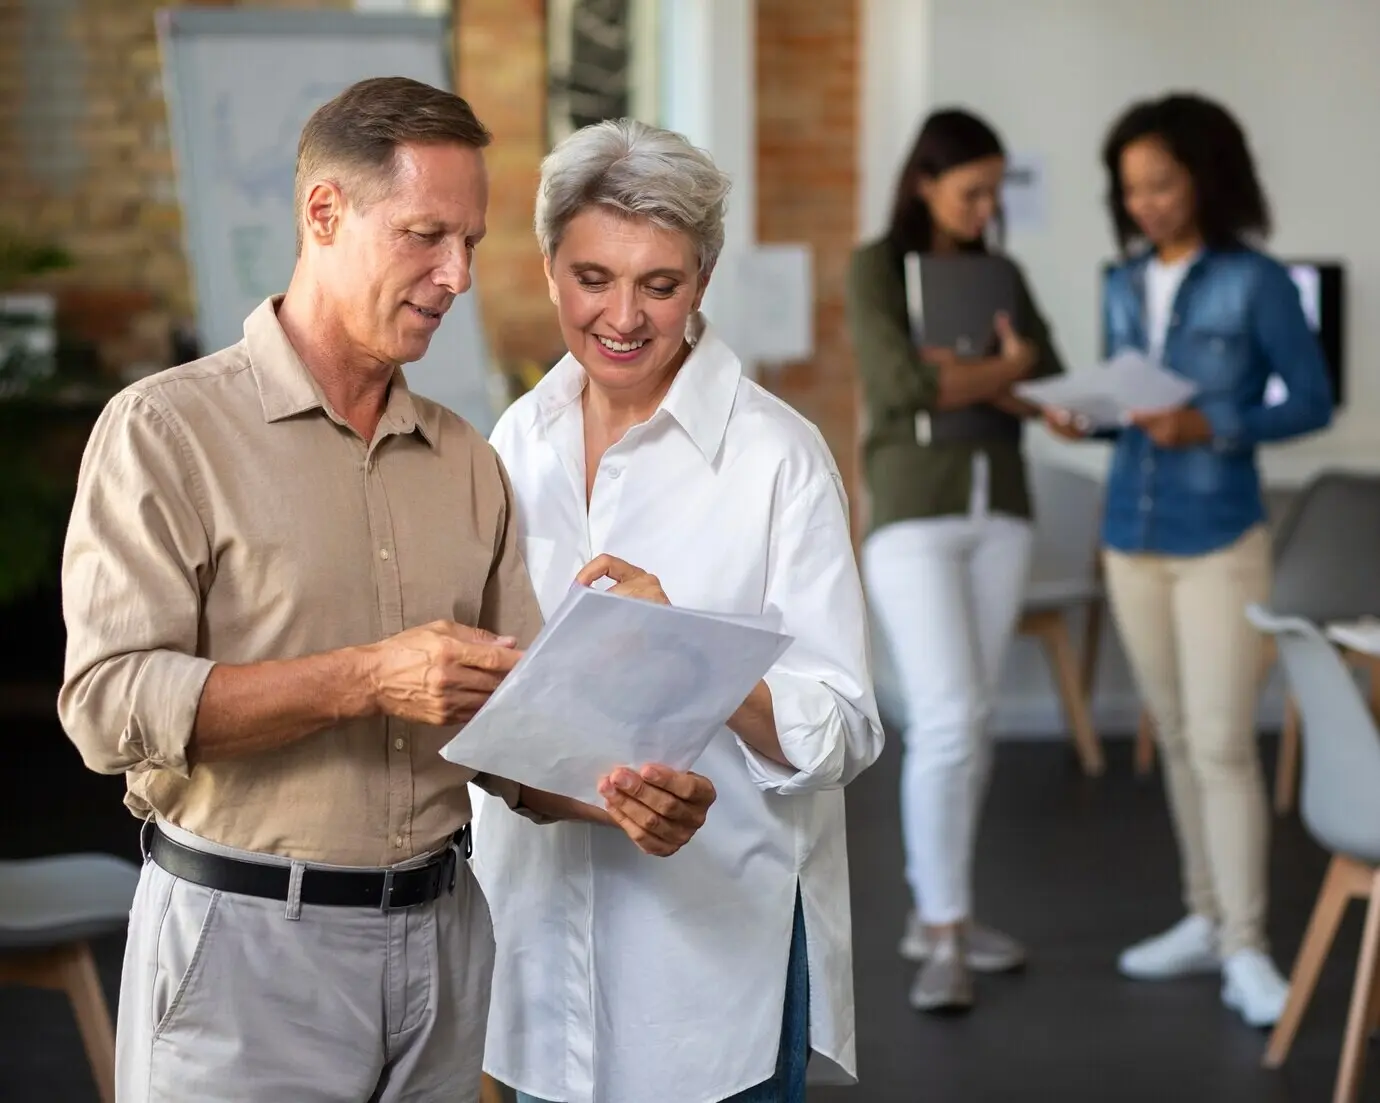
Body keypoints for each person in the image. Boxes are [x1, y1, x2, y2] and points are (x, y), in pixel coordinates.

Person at [57, 77, 714, 1103]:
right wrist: (365, 678)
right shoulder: (166, 430)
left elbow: (518, 732)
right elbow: (105, 705)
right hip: (245, 952)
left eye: (470, 242)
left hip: (445, 949)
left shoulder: (466, 461)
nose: (457, 275)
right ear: (324, 212)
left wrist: (624, 796)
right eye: (425, 235)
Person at [470, 118, 884, 1103]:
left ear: (702, 281)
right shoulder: (513, 443)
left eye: (658, 284)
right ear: (549, 269)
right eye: (592, 278)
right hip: (530, 957)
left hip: (711, 978)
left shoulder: (778, 459)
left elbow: (846, 726)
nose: (622, 316)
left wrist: (688, 650)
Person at [1044, 92, 1333, 1027]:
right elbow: (1128, 403)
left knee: (1220, 743)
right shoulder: (1124, 282)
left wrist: (1210, 422)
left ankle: (1246, 943)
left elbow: (1311, 399)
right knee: (1172, 735)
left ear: (1207, 177)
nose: (1146, 204)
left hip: (1218, 535)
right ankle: (1206, 918)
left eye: (1162, 184)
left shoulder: (1256, 281)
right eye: (1132, 189)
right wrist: (1085, 417)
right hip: (1132, 534)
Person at [844, 108, 1067, 1013]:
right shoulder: (876, 266)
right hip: (914, 514)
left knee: (973, 720)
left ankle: (944, 912)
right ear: (926, 182)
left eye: (995, 192)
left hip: (1001, 510)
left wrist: (971, 373)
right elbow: (899, 384)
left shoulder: (1002, 272)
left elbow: (1048, 374)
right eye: (971, 191)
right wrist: (999, 371)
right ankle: (941, 930)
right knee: (944, 715)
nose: (986, 208)